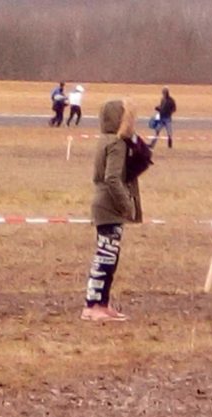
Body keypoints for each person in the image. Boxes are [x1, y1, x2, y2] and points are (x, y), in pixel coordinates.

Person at [82, 99, 145, 322]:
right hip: (109, 206)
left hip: (105, 204)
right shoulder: (116, 144)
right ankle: (93, 304)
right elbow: (112, 178)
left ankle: (102, 302)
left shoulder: (104, 140)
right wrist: (126, 205)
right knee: (106, 257)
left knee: (109, 256)